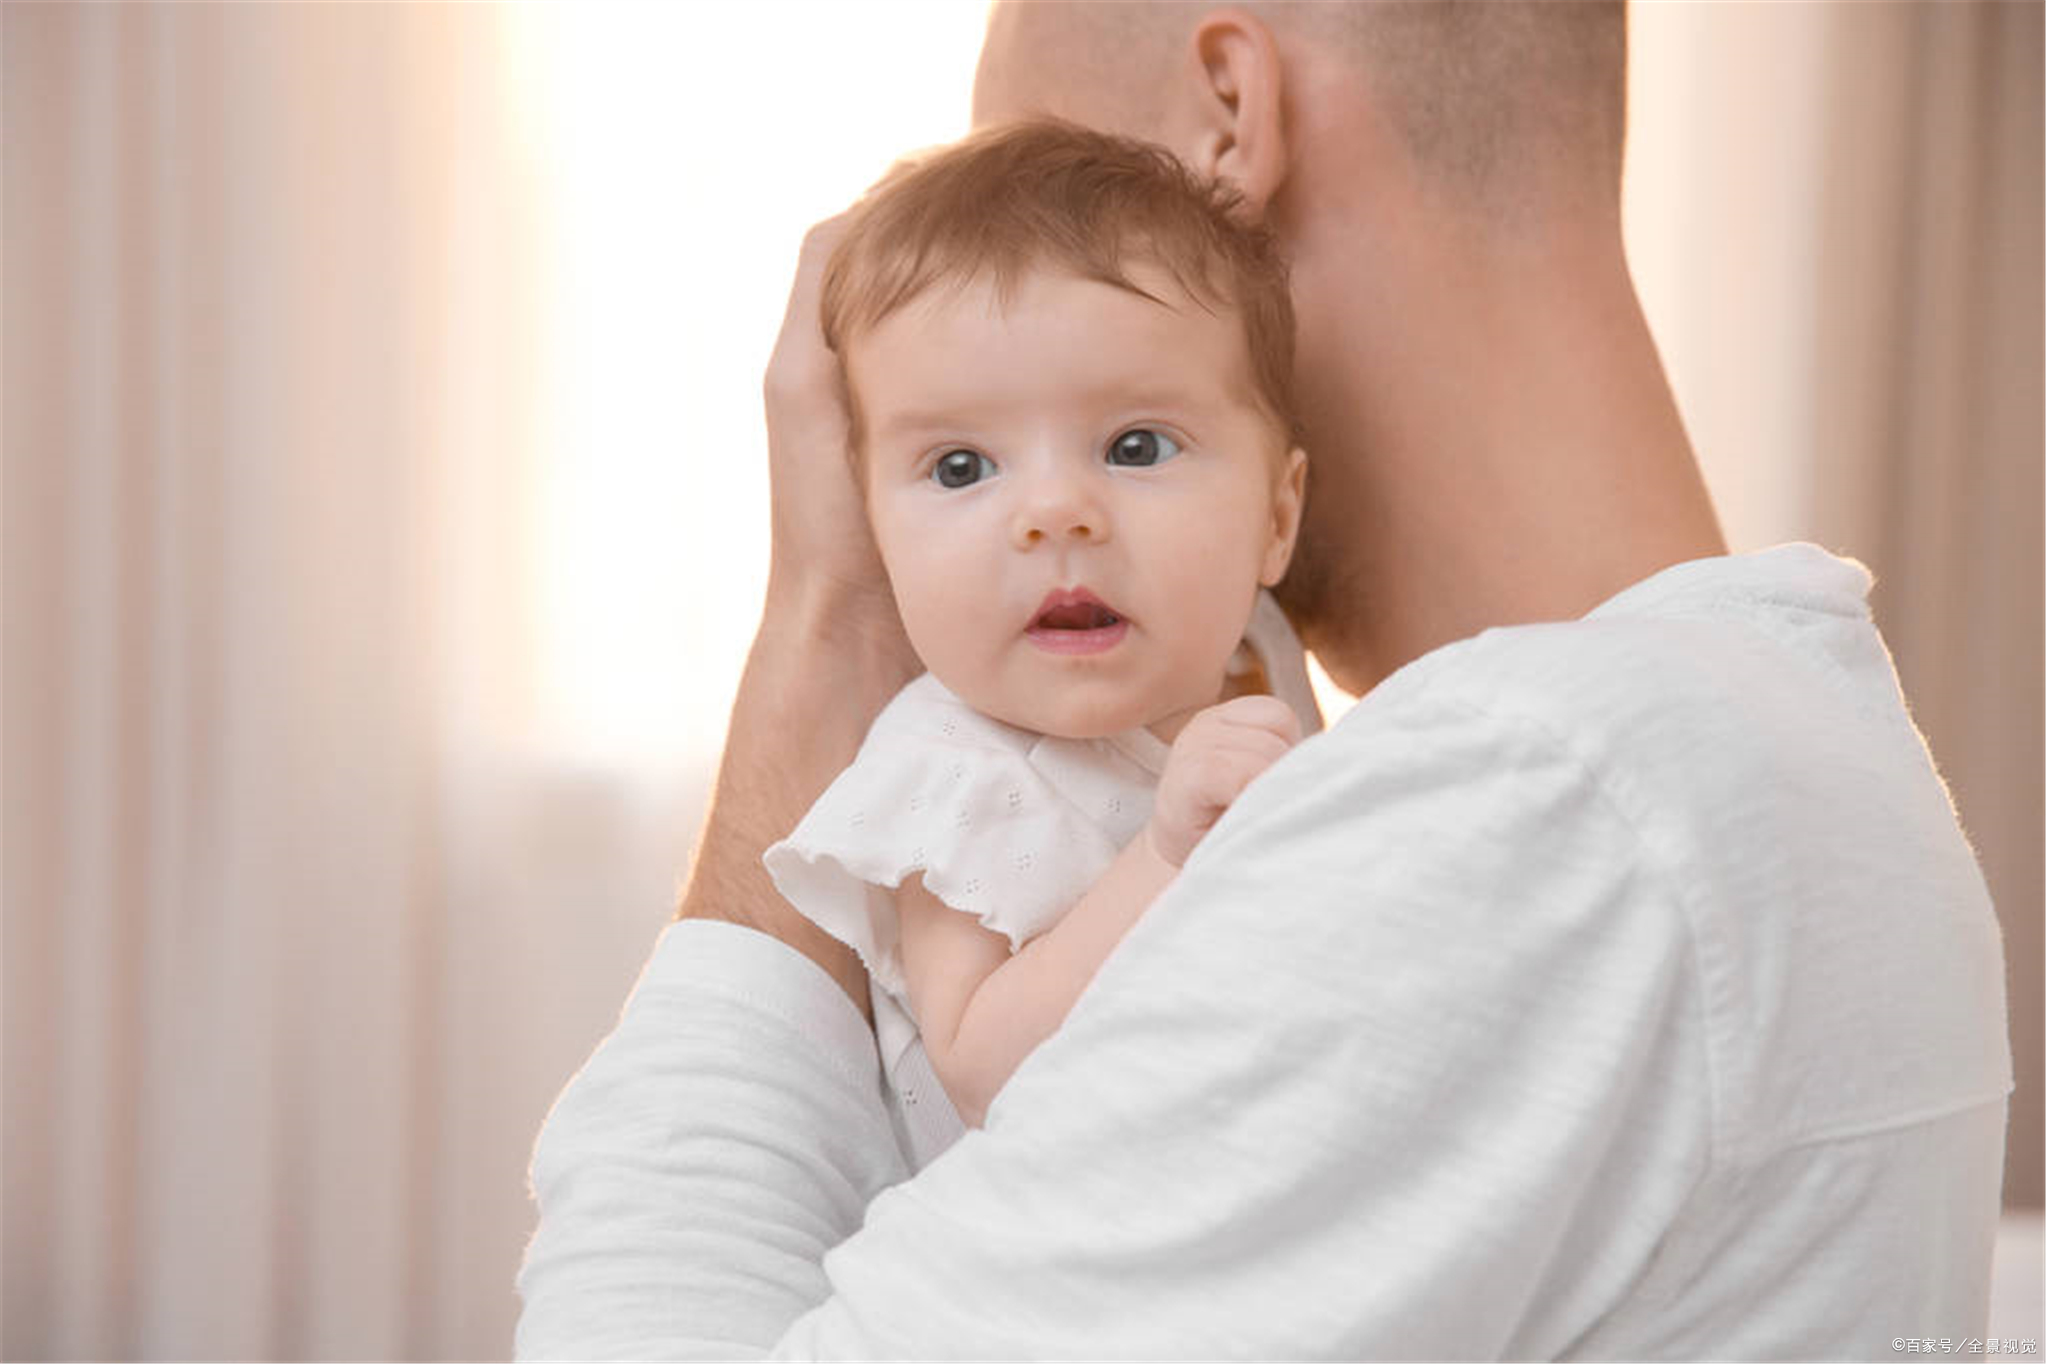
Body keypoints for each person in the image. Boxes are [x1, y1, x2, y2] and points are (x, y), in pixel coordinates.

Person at [516, 3, 2014, 1357]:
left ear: (1224, 120)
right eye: (958, 457)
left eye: (1045, 171)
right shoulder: (1791, 733)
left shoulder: (1531, 803)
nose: (1041, 507)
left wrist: (831, 613)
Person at [763, 119, 1323, 1156]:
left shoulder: (1260, 666)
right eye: (963, 467)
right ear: (873, 528)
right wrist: (1166, 853)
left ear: (1277, 517)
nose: (1055, 512)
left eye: (1136, 445)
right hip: (1034, 1279)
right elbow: (982, 1065)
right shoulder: (953, 771)